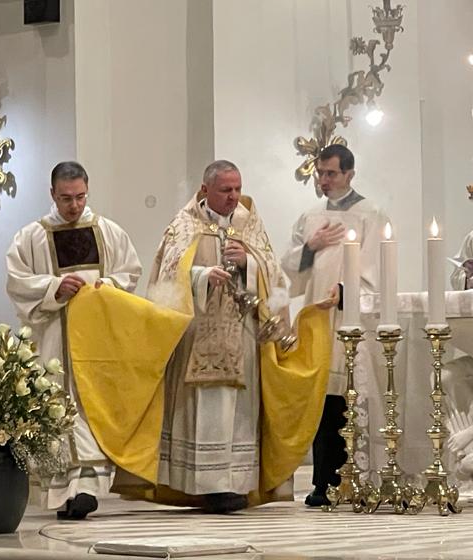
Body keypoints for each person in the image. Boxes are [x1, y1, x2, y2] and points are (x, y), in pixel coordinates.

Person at [118, 160, 329, 513]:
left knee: (239, 414)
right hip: (197, 334)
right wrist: (201, 276)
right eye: (225, 190)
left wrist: (249, 263)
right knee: (206, 411)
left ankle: (235, 483)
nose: (234, 197)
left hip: (242, 335)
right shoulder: (184, 225)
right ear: (205, 190)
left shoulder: (250, 224)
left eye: (237, 188)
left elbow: (275, 276)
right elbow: (165, 277)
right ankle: (206, 486)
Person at [5, 161, 142, 520]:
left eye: (80, 197)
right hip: (53, 341)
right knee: (57, 408)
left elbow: (130, 272)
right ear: (52, 193)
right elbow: (17, 281)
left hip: (95, 343)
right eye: (66, 198)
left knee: (89, 406)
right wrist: (54, 287)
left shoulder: (107, 231)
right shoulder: (32, 236)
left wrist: (105, 286)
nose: (74, 206)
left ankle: (85, 491)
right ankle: (65, 495)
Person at [281, 142, 388, 508]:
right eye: (320, 173)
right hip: (318, 316)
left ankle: (352, 477)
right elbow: (289, 268)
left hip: (350, 316)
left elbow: (376, 265)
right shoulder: (310, 216)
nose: (324, 180)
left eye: (331, 173)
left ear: (349, 174)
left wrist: (347, 289)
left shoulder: (371, 214)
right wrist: (309, 248)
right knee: (320, 398)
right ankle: (322, 481)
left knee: (347, 396)